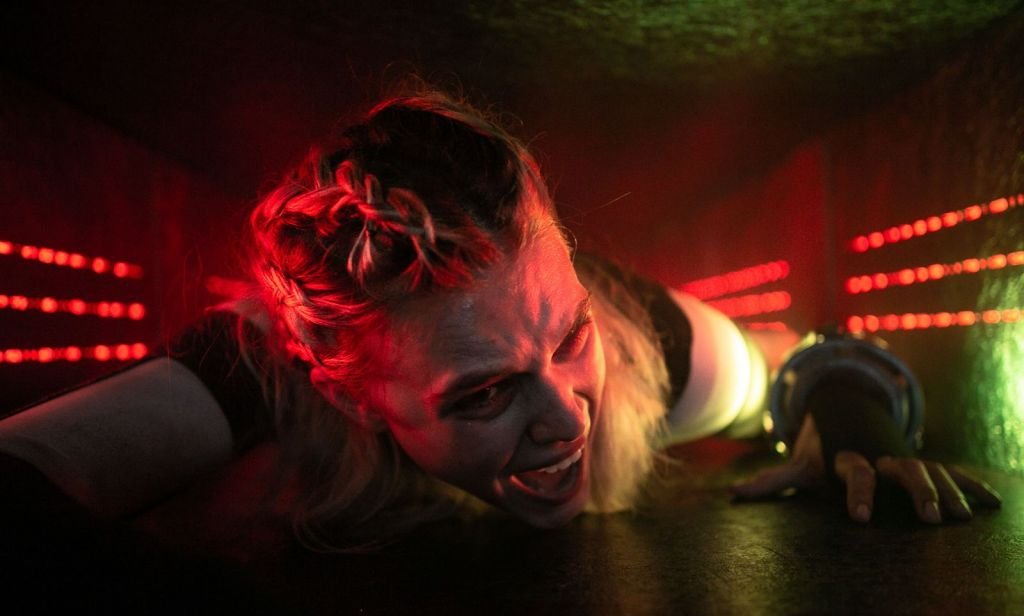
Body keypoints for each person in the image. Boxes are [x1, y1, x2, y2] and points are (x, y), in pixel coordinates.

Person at [0, 88, 1001, 554]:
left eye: (568, 338)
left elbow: (808, 360)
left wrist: (849, 413)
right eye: (483, 391)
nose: (568, 416)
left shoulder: (638, 336)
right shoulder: (253, 366)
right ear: (348, 393)